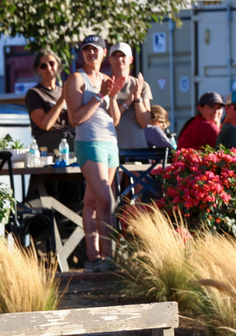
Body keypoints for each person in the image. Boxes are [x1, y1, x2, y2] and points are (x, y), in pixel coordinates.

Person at [64, 35, 125, 273]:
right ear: (82, 53)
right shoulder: (76, 79)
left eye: (96, 49)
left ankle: (93, 258)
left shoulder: (107, 79)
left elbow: (116, 119)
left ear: (103, 52)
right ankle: (109, 258)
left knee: (91, 203)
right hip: (90, 143)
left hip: (110, 142)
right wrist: (100, 95)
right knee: (105, 200)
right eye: (87, 49)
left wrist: (112, 96)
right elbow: (75, 118)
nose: (91, 53)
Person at [24, 49, 74, 152]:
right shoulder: (34, 93)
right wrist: (62, 99)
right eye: (43, 66)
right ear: (38, 70)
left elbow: (73, 122)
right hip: (48, 146)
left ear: (58, 65)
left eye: (52, 63)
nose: (49, 68)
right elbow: (45, 125)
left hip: (69, 139)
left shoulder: (63, 91)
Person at [107, 43, 152, 150]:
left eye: (123, 56)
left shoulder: (142, 85)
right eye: (115, 56)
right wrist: (127, 102)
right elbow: (109, 120)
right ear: (109, 59)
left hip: (137, 146)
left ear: (131, 60)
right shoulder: (104, 84)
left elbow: (145, 123)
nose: (119, 59)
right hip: (111, 147)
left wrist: (137, 97)